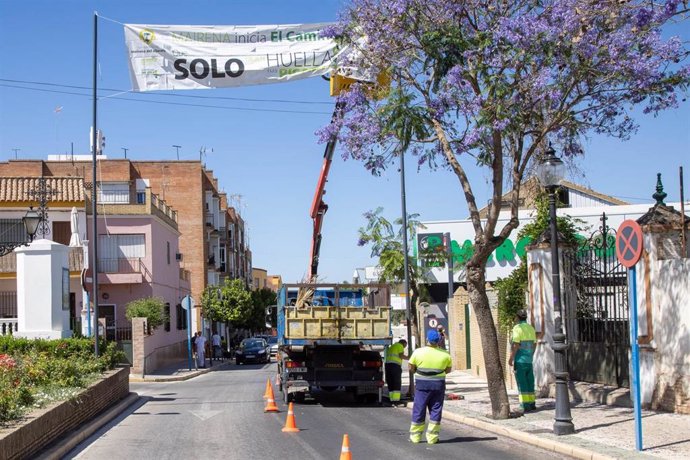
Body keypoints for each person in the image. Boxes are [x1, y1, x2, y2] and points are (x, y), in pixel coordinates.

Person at [408, 330, 452, 444]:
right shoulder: (445, 354)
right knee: (436, 410)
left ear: (427, 339)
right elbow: (448, 370)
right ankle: (432, 438)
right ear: (439, 341)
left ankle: (415, 437)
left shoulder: (418, 352)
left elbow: (410, 367)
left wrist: (418, 372)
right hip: (438, 385)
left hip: (422, 385)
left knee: (419, 409)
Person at [509, 309, 537, 412]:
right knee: (530, 381)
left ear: (517, 317)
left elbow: (516, 344)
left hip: (520, 360)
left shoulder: (517, 328)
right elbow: (534, 344)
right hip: (529, 360)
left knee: (522, 383)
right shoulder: (531, 328)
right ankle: (532, 403)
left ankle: (524, 405)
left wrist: (511, 358)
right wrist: (531, 354)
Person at [384, 339, 407, 403]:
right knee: (396, 382)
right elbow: (401, 355)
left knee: (390, 381)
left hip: (388, 365)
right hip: (395, 366)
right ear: (404, 343)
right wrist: (409, 358)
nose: (405, 347)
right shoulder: (400, 346)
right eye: (405, 345)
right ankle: (396, 400)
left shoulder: (393, 346)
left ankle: (391, 398)